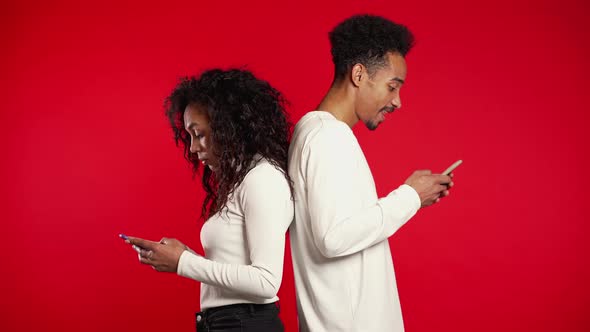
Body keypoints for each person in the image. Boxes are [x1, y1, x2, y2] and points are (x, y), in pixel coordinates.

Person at [288, 15, 455, 331]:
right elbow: (332, 238)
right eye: (393, 87)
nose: (398, 102)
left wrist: (413, 198)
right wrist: (410, 197)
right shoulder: (328, 136)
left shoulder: (311, 132)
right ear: (359, 74)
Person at [124, 68, 293, 332]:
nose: (192, 148)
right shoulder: (243, 179)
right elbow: (233, 267)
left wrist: (183, 262)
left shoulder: (262, 178)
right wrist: (182, 255)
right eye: (189, 136)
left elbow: (266, 281)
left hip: (244, 324)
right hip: (226, 323)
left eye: (199, 134)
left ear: (230, 126)